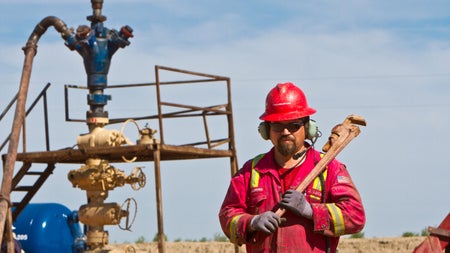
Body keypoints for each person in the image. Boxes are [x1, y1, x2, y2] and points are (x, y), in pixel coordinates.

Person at [219, 82, 365, 253]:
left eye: (294, 125)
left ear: (308, 128)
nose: (286, 132)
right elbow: (227, 215)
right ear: (266, 130)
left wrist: (311, 211)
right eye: (278, 125)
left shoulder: (329, 168)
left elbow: (356, 216)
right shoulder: (251, 170)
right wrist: (252, 222)